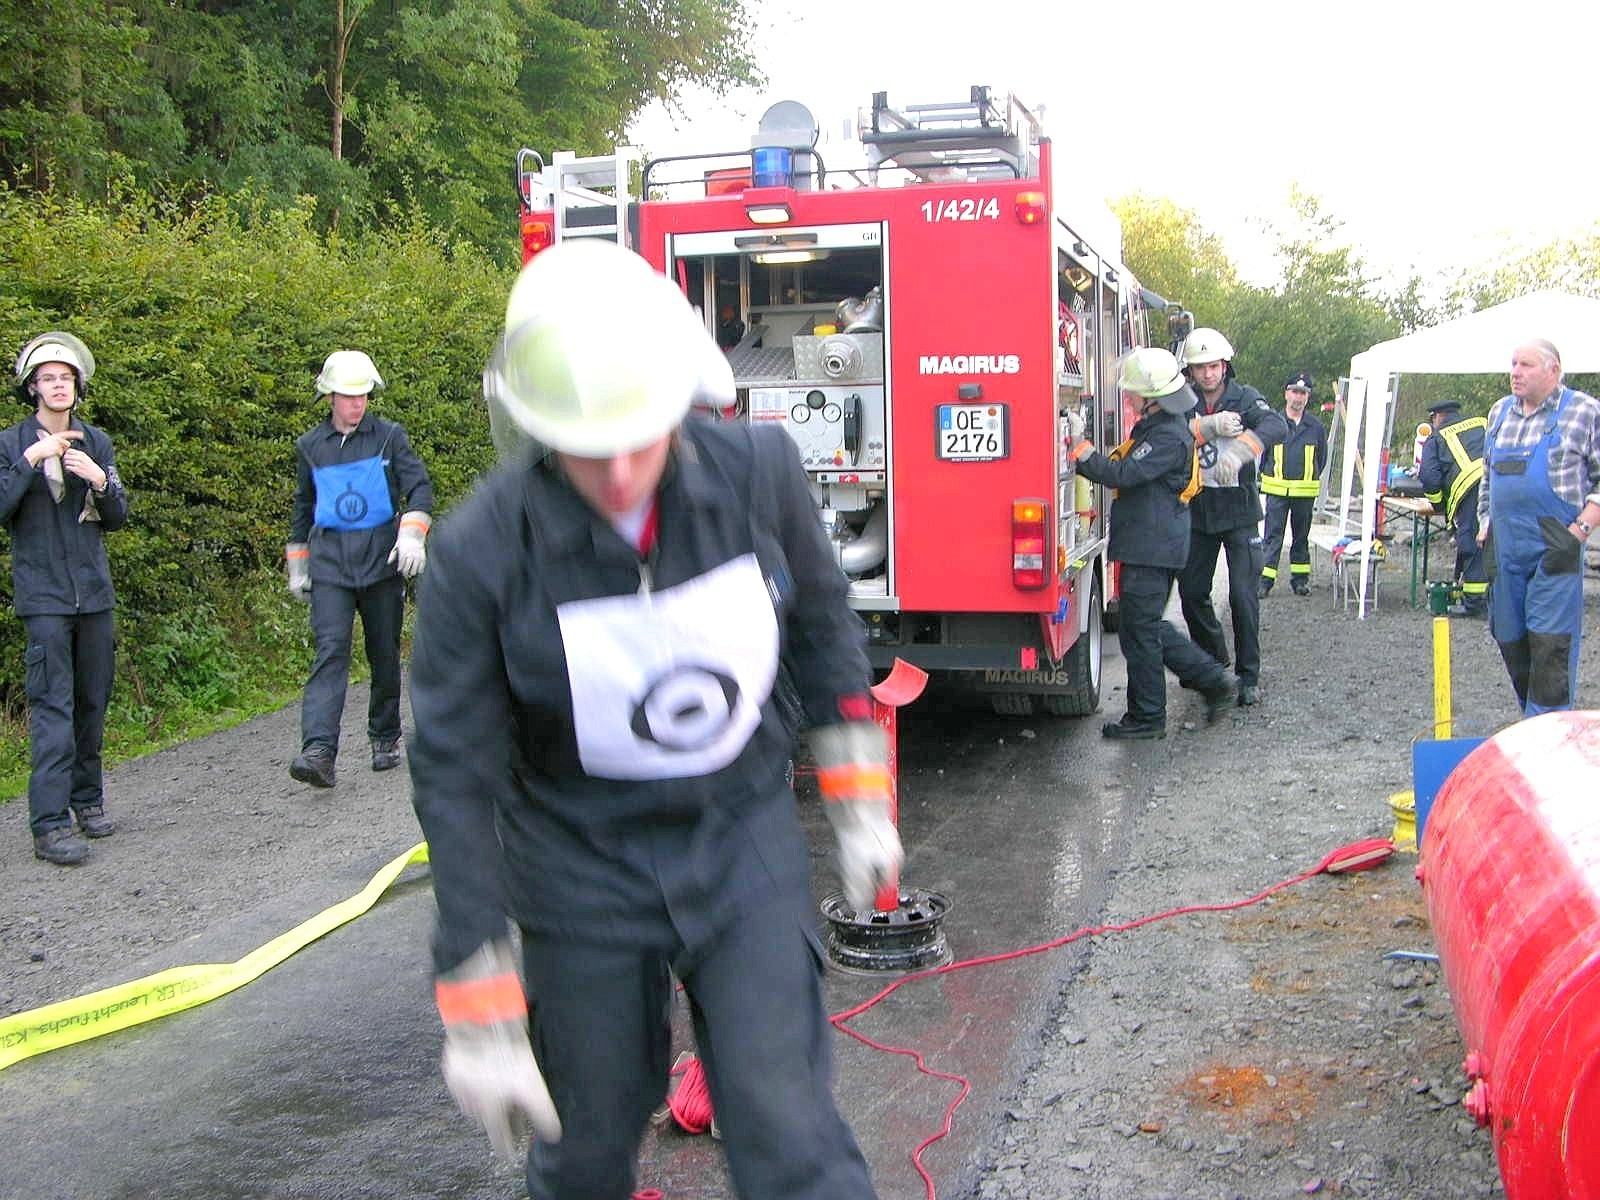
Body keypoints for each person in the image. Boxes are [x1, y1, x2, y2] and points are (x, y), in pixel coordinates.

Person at [408, 239, 890, 1200]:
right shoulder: (480, 553)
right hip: (576, 865)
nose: (621, 471)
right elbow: (454, 775)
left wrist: (858, 792)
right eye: (589, 447)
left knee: (786, 1123)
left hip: (737, 835)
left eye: (641, 433)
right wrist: (477, 998)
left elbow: (826, 626)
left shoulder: (757, 472)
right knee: (583, 1144)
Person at [1, 332, 129, 866]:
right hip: (45, 597)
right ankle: (49, 825)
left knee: (92, 701)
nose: (58, 386)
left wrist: (100, 481)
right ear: (33, 387)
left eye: (66, 378)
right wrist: (32, 458)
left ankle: (88, 802)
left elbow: (118, 518)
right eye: (49, 378)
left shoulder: (95, 441)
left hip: (94, 595)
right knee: (54, 707)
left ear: (78, 387)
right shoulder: (11, 444)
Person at [1066, 347, 1234, 739]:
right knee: (1142, 628)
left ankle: (1161, 710)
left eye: (1133, 392)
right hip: (1154, 544)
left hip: (1152, 547)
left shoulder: (1167, 436)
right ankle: (1198, 687)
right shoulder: (1163, 427)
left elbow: (1123, 473)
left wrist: (1078, 446)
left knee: (1142, 630)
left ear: (1154, 396)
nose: (1127, 398)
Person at [286, 350, 434, 788]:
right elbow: (303, 506)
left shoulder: (389, 437)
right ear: (330, 396)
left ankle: (384, 736)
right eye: (349, 396)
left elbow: (419, 488)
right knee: (330, 652)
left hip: (379, 563)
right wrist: (298, 563)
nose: (358, 404)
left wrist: (412, 534)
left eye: (364, 395)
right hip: (330, 565)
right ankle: (318, 752)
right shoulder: (310, 447)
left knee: (383, 651)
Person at [1476, 339, 1600, 716]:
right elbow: (1486, 476)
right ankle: (1532, 721)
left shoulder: (1583, 411)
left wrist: (1579, 530)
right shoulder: (1499, 413)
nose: (1515, 372)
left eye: (1526, 365)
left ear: (1553, 371)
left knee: (1550, 644)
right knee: (1510, 636)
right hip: (1504, 546)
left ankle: (1547, 733)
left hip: (1555, 545)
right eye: (1513, 364)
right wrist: (1485, 523)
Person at [1175, 327, 1286, 707]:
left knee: (1242, 595)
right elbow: (1167, 433)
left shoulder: (1245, 398)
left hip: (1239, 510)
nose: (1208, 374)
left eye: (1214, 366)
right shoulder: (1183, 401)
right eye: (1200, 367)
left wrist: (1240, 451)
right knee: (1191, 593)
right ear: (1190, 370)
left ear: (1225, 365)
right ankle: (1213, 661)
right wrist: (1205, 427)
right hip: (1197, 509)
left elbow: (1276, 425)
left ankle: (1248, 675)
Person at [1257, 371, 1328, 598]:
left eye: (1303, 393)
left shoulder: (1315, 426)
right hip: (1277, 491)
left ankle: (1300, 580)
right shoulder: (1274, 422)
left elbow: (1322, 458)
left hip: (1304, 493)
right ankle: (1264, 581)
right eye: (1295, 392)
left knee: (1301, 537)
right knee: (1272, 537)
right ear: (1286, 393)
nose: (1298, 397)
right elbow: (1262, 454)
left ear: (1308, 397)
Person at [1417, 399, 1487, 617]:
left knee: (1473, 543)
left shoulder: (1436, 438)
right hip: (1505, 483)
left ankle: (1475, 604)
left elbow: (1429, 477)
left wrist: (1439, 504)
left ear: (1437, 416)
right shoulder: (1482, 422)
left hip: (1471, 490)